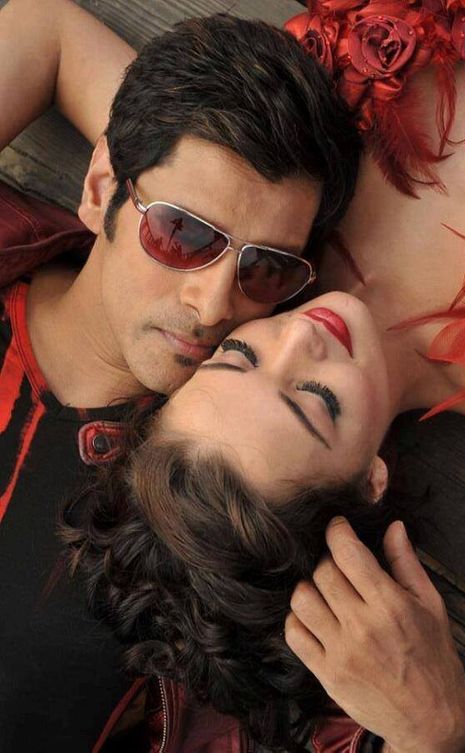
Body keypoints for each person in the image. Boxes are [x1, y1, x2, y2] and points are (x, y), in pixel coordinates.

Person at [0, 1, 361, 750]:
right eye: (183, 232)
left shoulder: (212, 523)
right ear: (99, 189)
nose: (214, 305)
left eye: (265, 267)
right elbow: (43, 27)